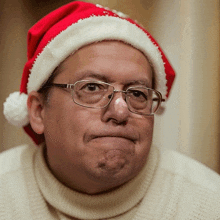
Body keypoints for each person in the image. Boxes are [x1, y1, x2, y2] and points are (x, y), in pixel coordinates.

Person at [1, 1, 220, 219]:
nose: (120, 111)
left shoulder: (209, 203)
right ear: (39, 111)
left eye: (137, 94)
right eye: (92, 88)